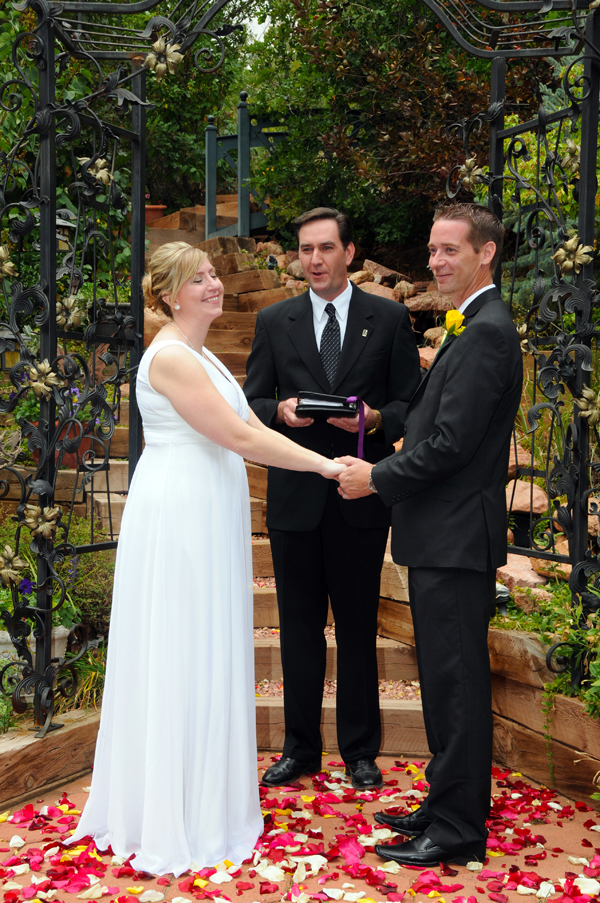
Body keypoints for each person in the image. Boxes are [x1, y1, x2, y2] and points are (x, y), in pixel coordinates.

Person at [70, 241, 346, 876]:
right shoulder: (169, 356)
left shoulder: (199, 354)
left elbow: (243, 426)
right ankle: (173, 810)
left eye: (215, 274)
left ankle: (205, 796)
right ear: (169, 294)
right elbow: (243, 436)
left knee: (206, 645)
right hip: (180, 518)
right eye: (199, 279)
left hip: (206, 510)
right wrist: (327, 465)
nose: (215, 285)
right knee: (180, 647)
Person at [337, 202, 522, 866]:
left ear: (486, 254)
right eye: (433, 248)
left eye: (451, 249)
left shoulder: (490, 332)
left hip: (454, 538)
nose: (437, 260)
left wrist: (376, 477)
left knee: (457, 685)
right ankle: (445, 801)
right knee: (445, 683)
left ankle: (458, 826)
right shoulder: (469, 325)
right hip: (442, 536)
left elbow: (447, 444)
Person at [243, 208, 421, 790]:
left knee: (355, 629)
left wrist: (373, 420)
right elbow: (251, 403)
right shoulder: (274, 320)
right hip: (296, 499)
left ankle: (361, 750)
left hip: (360, 495)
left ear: (349, 252)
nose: (313, 259)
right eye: (304, 249)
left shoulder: (390, 319)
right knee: (297, 629)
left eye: (325, 248)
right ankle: (300, 750)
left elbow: (409, 407)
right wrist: (280, 411)